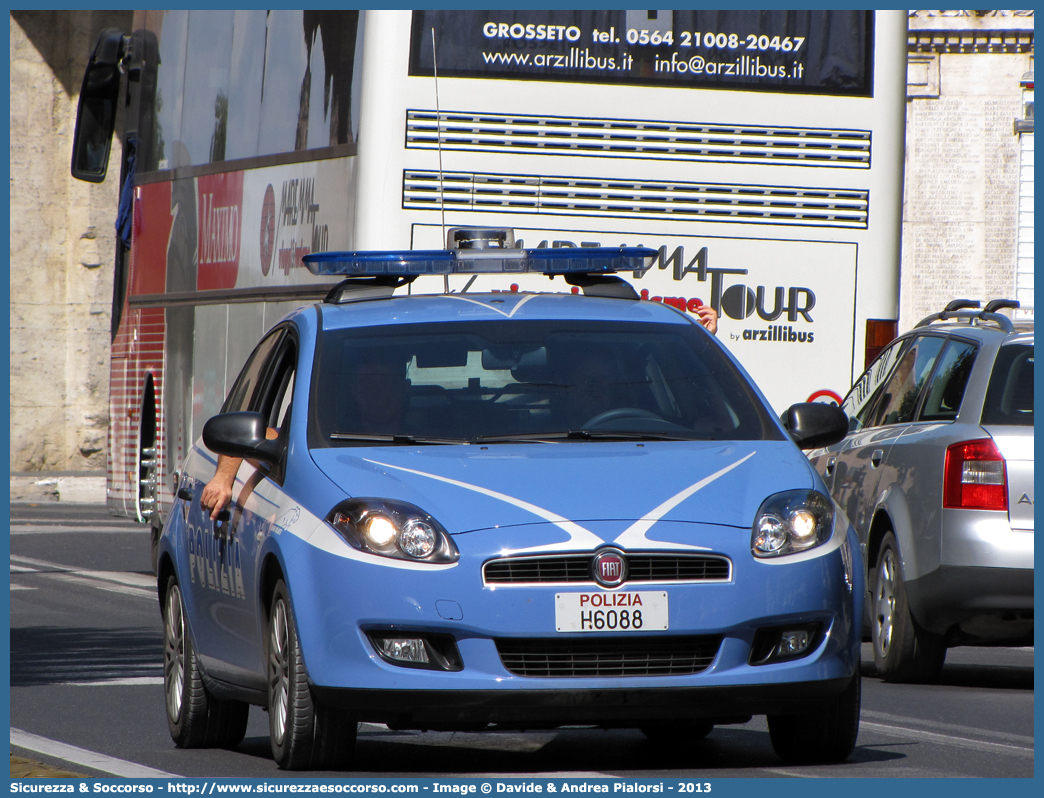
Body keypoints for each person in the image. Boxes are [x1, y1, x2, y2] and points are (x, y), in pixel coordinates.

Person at [200, 349, 411, 519]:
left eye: (385, 383)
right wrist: (222, 478)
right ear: (354, 391)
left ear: (404, 388)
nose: (377, 393)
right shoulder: (322, 433)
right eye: (368, 384)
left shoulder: (433, 442)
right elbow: (242, 438)